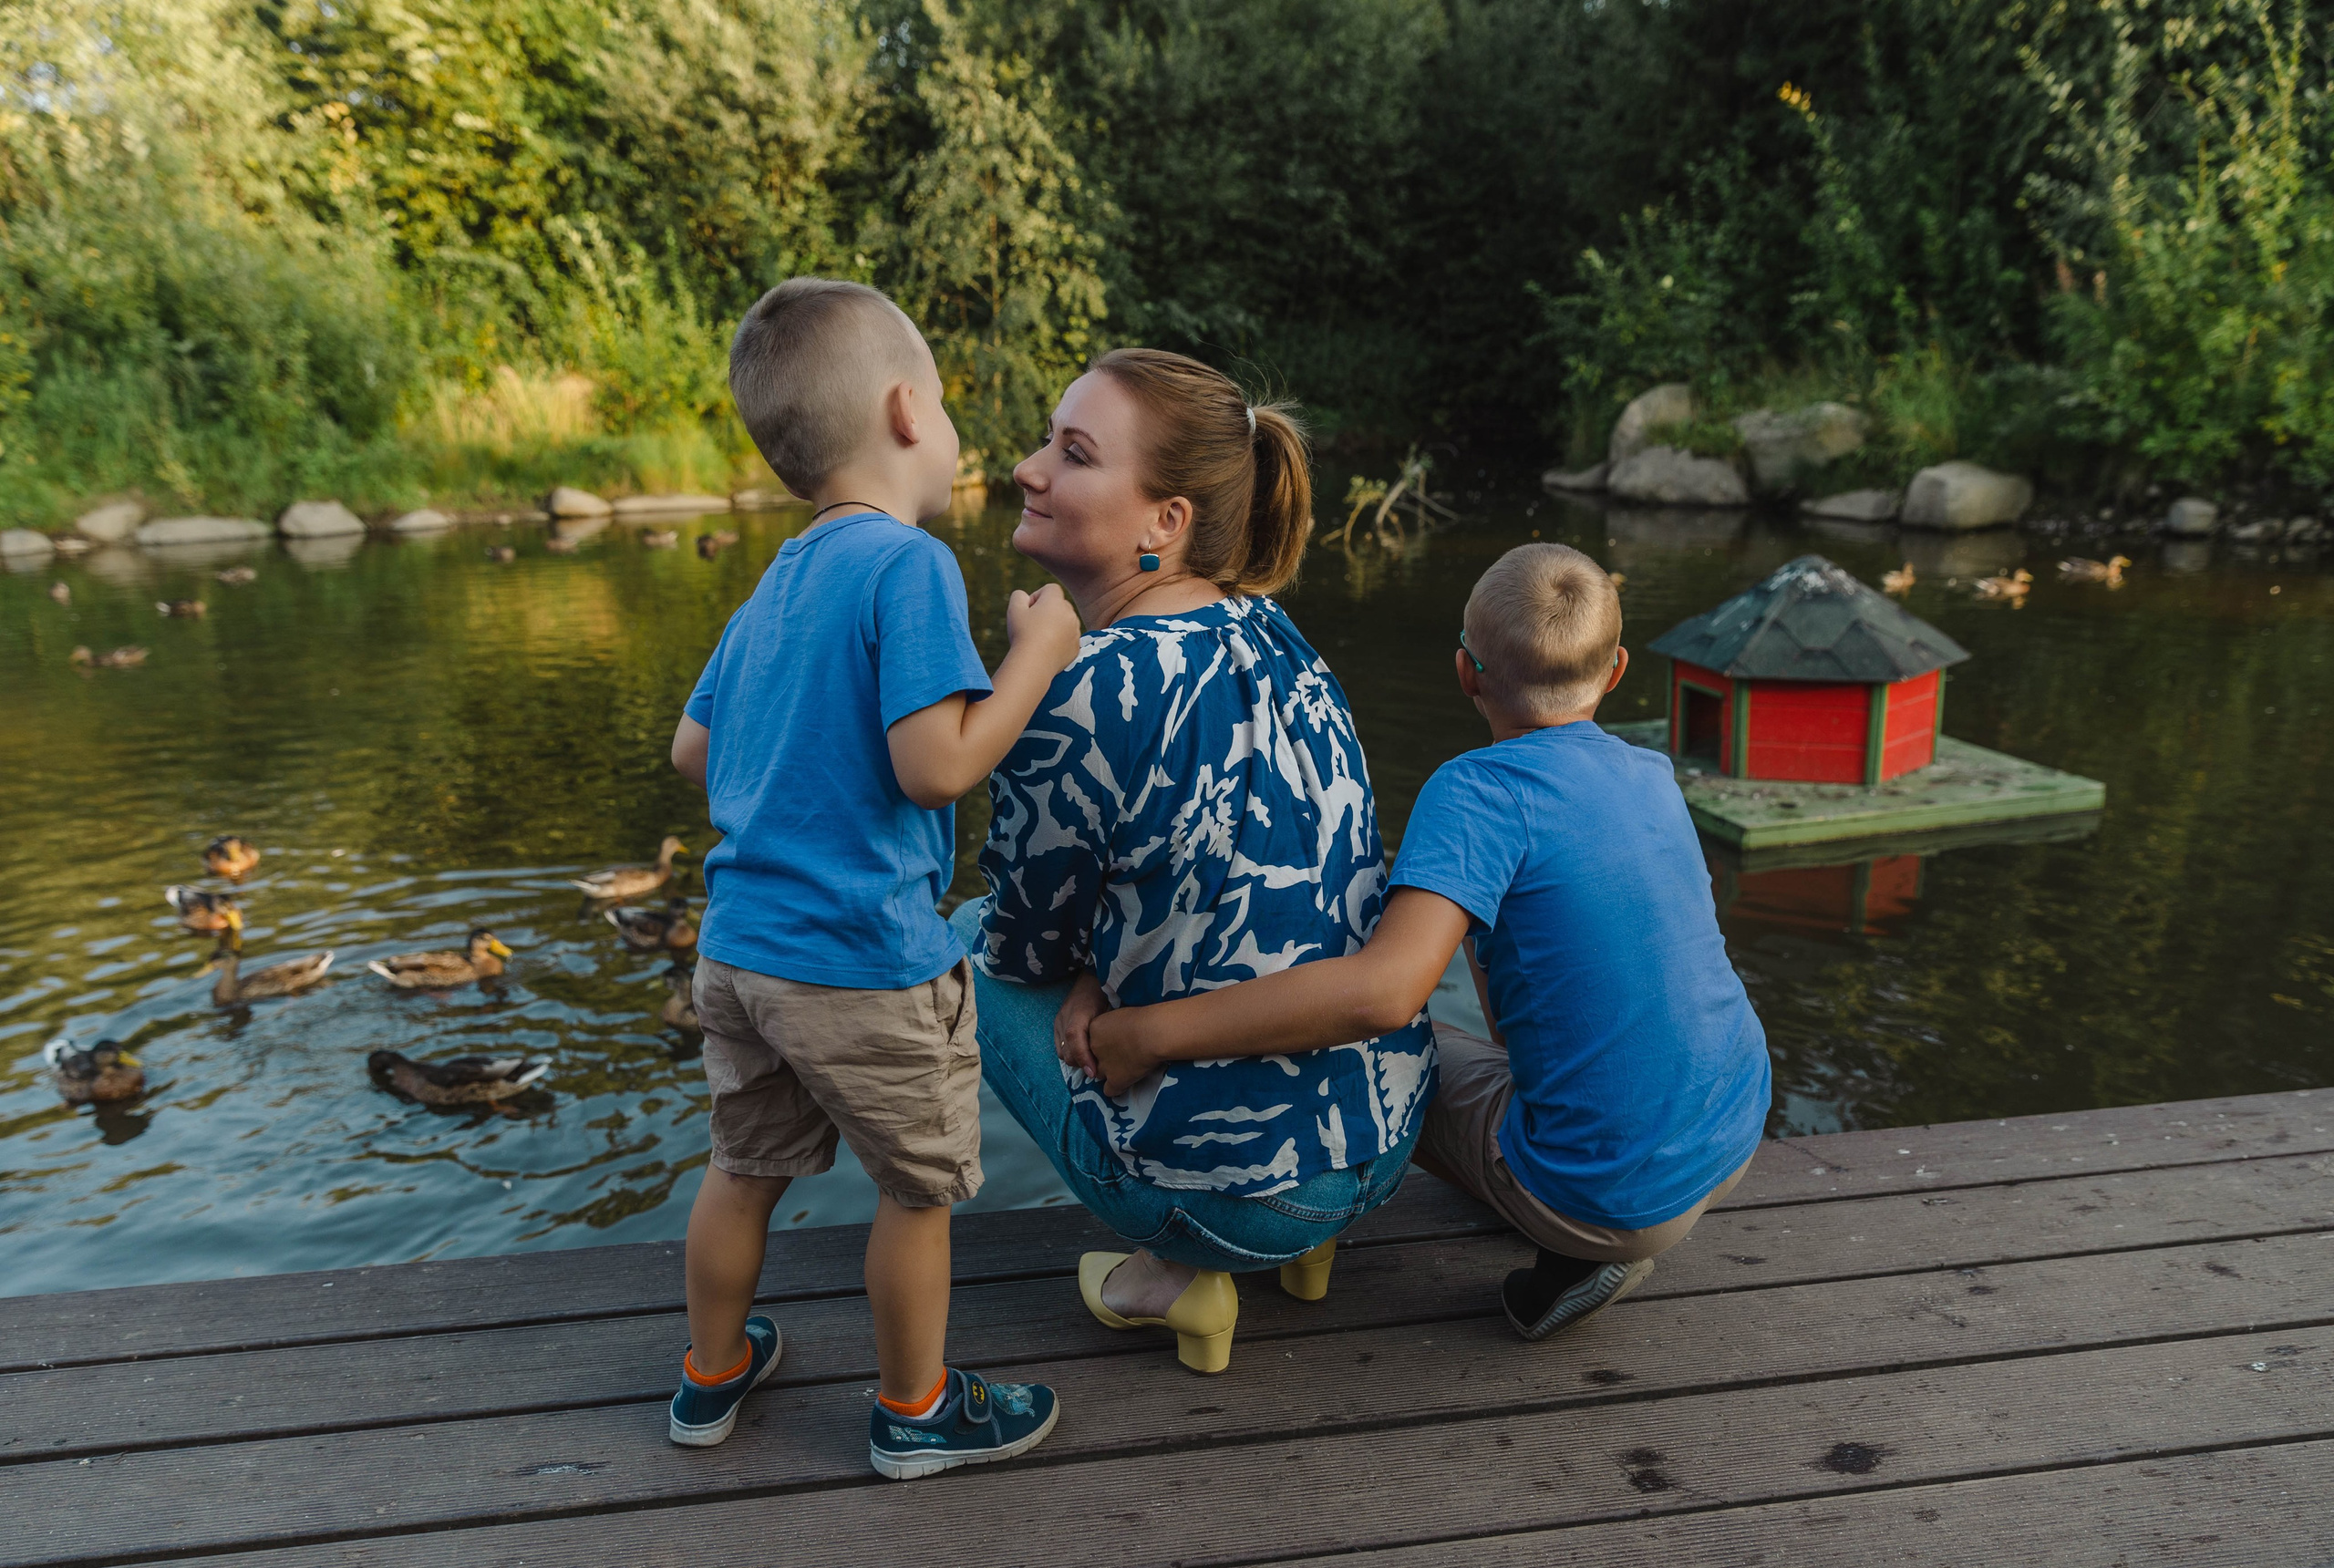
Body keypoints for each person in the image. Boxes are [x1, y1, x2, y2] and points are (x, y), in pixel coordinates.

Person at [1080, 542, 1771, 1342]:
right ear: (1616, 671)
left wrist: (1148, 1033)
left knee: (1380, 1051)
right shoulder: (1653, 774)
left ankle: (1573, 1250)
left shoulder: (1480, 790)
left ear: (1465, 672)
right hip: (1732, 1128)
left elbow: (1381, 996)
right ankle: (1592, 1222)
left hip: (1605, 1197)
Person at [948, 346, 1437, 1376]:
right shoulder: (1277, 629)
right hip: (1383, 1143)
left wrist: (1074, 972)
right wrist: (1096, 971)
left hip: (1237, 1201)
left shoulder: (1078, 686)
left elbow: (1021, 947)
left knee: (951, 943)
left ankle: (1177, 1265)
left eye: (1072, 454)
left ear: (1163, 522)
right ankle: (1310, 1253)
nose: (1030, 469)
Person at [666, 277, 1083, 1479]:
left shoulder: (775, 583)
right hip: (860, 957)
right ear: (908, 412)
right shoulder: (908, 568)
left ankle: (709, 1377)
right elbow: (936, 765)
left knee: (741, 1168)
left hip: (740, 953)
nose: (957, 434)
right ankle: (915, 1409)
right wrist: (1037, 660)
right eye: (949, 405)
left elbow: (693, 751)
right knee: (915, 1190)